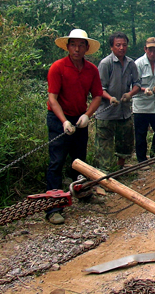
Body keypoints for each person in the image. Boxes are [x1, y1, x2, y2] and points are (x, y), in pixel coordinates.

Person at [46, 29, 103, 224]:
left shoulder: (91, 70)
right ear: (68, 46)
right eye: (73, 45)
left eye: (81, 45)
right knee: (57, 162)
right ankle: (54, 208)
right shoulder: (58, 67)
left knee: (80, 160)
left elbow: (97, 95)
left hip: (79, 118)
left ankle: (83, 192)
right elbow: (52, 98)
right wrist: (63, 121)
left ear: (87, 48)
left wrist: (87, 115)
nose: (77, 49)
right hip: (58, 118)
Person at [95, 32, 141, 170]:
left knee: (125, 142)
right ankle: (104, 174)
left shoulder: (131, 63)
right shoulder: (105, 63)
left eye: (124, 45)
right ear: (111, 47)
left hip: (124, 111)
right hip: (106, 113)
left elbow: (137, 83)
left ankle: (120, 168)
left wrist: (130, 94)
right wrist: (110, 98)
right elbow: (99, 88)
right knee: (104, 145)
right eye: (118, 45)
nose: (121, 48)